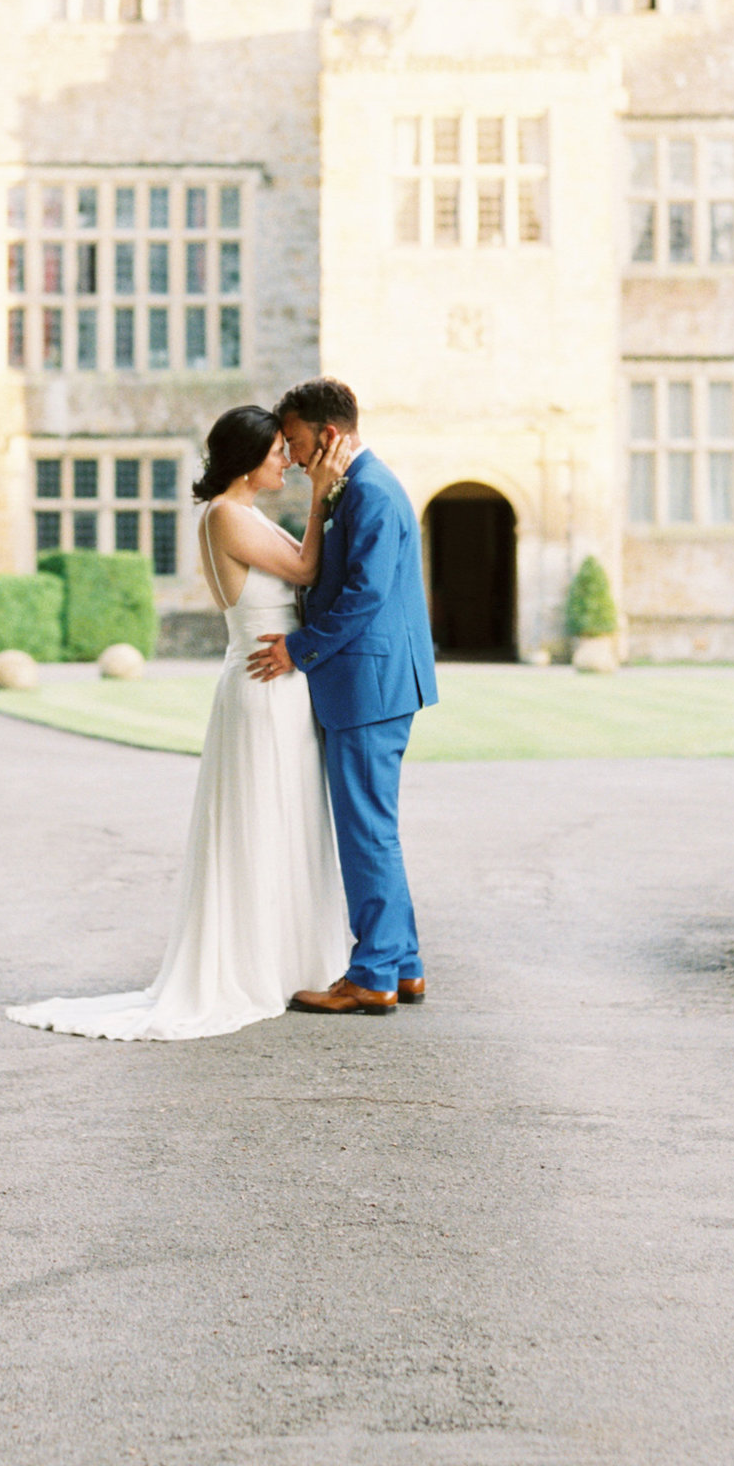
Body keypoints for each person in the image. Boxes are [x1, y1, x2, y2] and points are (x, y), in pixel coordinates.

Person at [4, 403, 353, 1041]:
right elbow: (306, 569)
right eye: (280, 450)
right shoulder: (225, 514)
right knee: (259, 823)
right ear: (249, 461)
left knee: (289, 822)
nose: (289, 459)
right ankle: (254, 966)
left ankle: (290, 959)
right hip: (261, 688)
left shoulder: (243, 513)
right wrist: (321, 493)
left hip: (279, 684)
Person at [248, 376, 438, 1015]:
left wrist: (296, 650)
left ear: (328, 435)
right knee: (373, 829)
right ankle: (403, 965)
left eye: (298, 443)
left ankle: (374, 974)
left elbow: (366, 594)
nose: (294, 456)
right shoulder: (350, 489)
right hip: (368, 682)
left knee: (366, 834)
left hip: (369, 685)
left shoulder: (373, 494)